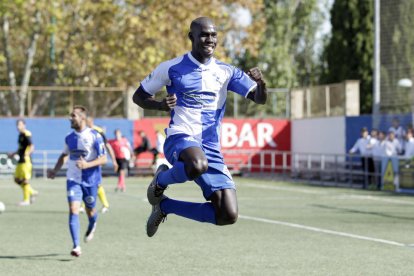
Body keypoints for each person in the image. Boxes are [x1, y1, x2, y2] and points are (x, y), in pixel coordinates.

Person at [132, 17, 267, 237]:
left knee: (227, 214)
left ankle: (165, 206)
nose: (210, 39)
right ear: (191, 37)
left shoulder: (227, 71)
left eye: (213, 35)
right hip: (181, 137)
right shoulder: (171, 67)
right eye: (204, 34)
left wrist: (261, 84)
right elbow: (138, 97)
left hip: (211, 146)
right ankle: (160, 181)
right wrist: (159, 105)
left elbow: (259, 99)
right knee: (197, 163)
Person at [47, 106, 107, 257]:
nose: (70, 118)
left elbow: (104, 159)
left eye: (73, 115)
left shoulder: (95, 136)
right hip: (73, 178)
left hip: (91, 180)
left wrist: (87, 165)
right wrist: (54, 170)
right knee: (74, 209)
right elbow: (63, 155)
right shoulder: (69, 137)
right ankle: (76, 246)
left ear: (82, 118)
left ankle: (93, 223)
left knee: (90, 210)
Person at [82, 117, 117, 213]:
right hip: (85, 161)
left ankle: (105, 205)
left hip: (96, 161)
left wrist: (113, 160)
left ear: (91, 122)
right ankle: (83, 205)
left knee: (97, 183)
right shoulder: (83, 131)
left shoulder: (98, 131)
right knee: (83, 182)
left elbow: (107, 145)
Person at [9, 119, 38, 206]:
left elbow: (32, 146)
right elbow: (20, 148)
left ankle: (26, 200)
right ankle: (32, 192)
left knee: (25, 180)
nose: (18, 126)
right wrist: (13, 154)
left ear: (24, 125)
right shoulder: (20, 135)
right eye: (17, 125)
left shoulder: (27, 134)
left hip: (26, 161)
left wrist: (27, 154)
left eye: (20, 124)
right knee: (16, 179)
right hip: (20, 160)